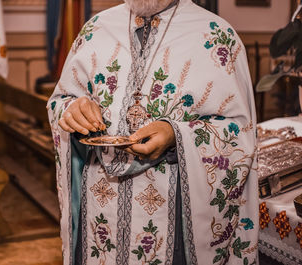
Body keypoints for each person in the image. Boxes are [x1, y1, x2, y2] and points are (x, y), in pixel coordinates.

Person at [47, 0, 259, 264]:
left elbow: (238, 132)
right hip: (98, 216)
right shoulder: (95, 29)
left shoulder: (216, 35)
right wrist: (72, 109)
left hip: (175, 219)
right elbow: (61, 100)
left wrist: (175, 134)